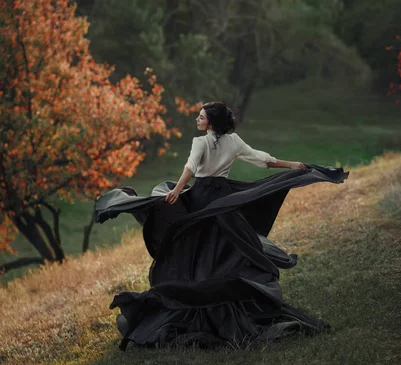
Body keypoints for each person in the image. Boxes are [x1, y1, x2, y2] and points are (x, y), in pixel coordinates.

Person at [94, 101, 349, 351]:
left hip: (206, 199)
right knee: (212, 246)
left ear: (211, 122)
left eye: (201, 117)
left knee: (206, 246)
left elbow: (191, 168)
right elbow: (261, 160)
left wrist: (177, 189)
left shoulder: (202, 142)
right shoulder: (230, 140)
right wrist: (291, 164)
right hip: (221, 198)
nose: (197, 120)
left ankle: (208, 297)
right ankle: (208, 293)